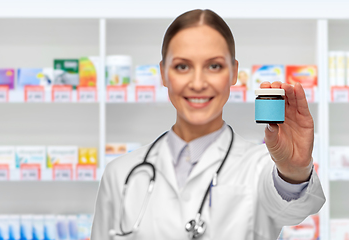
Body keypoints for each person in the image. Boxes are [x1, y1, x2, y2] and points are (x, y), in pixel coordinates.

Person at [92, 9, 325, 240]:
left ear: (234, 72)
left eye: (214, 66)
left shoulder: (261, 168)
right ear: (163, 73)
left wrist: (294, 171)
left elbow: (294, 208)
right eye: (182, 66)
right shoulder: (120, 174)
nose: (198, 83)